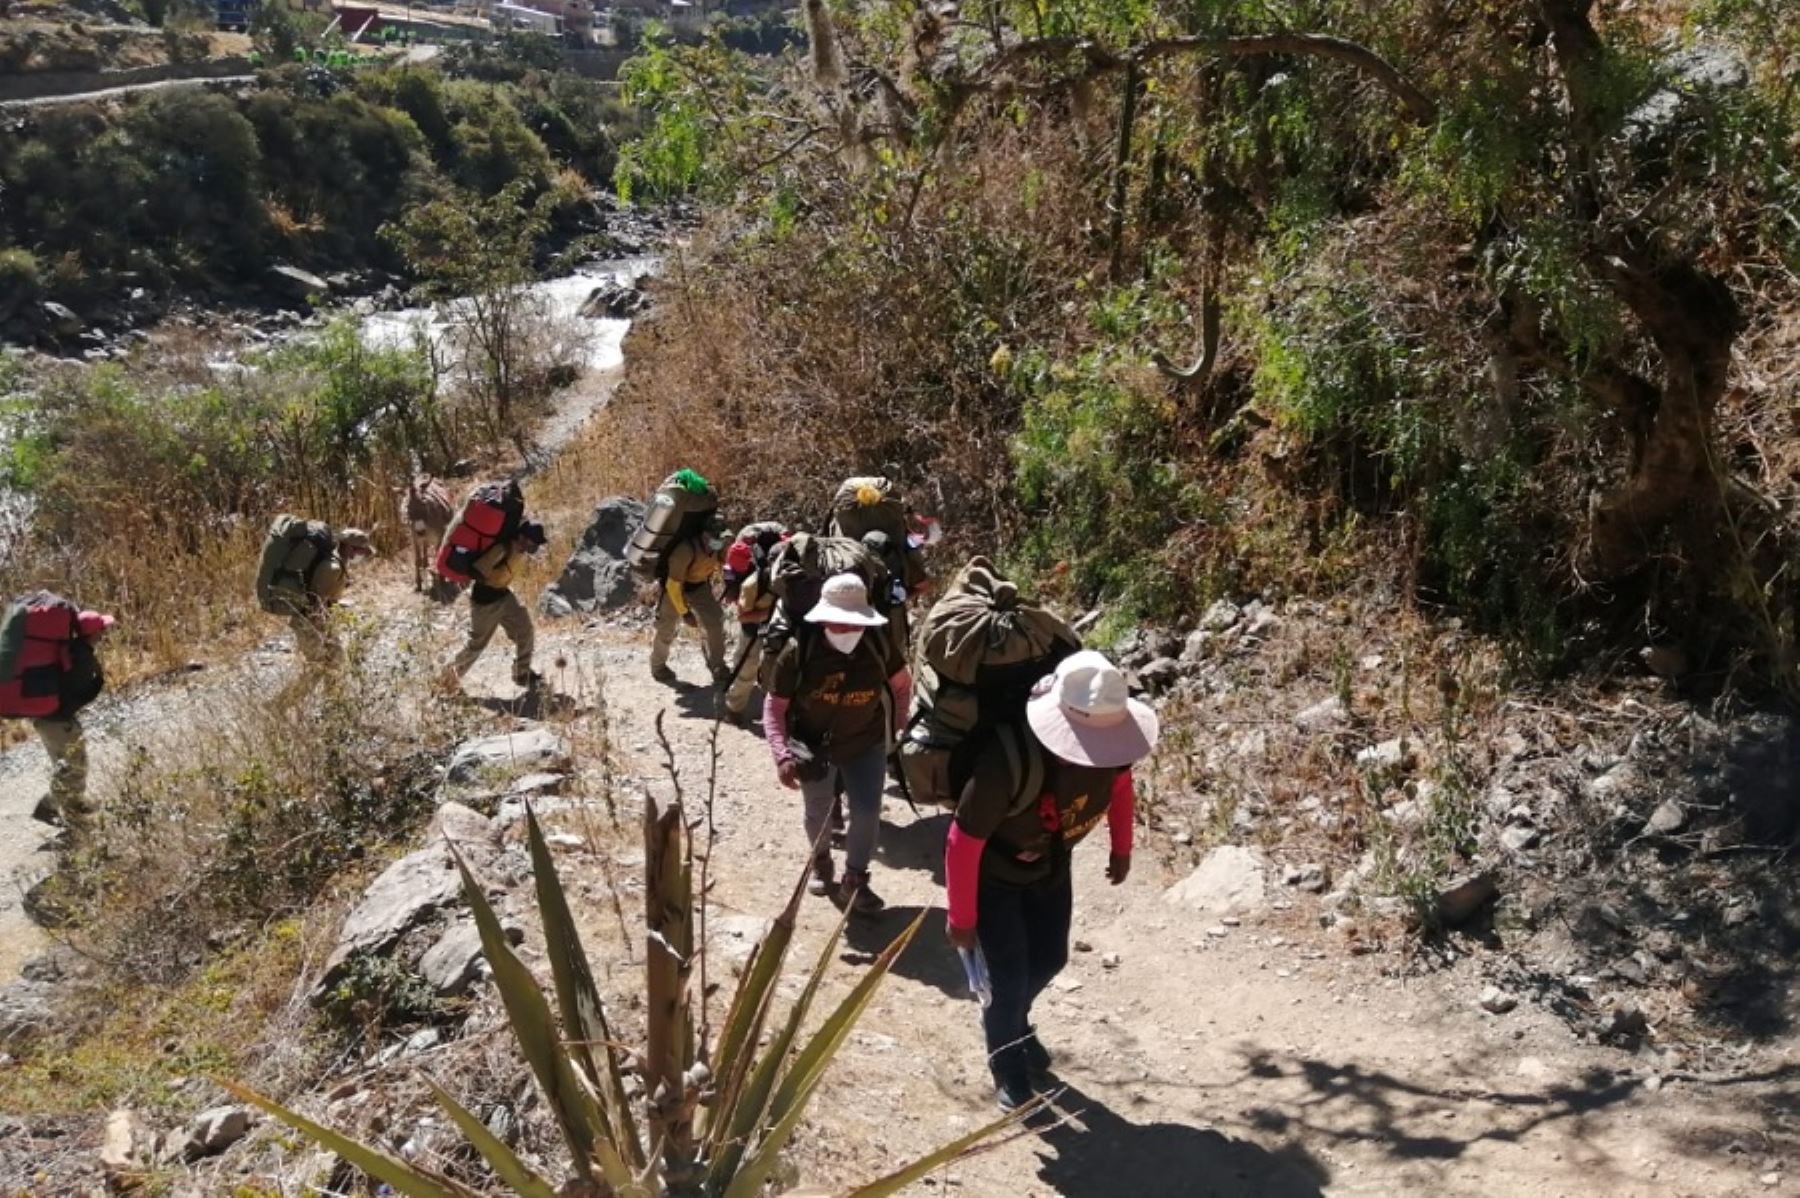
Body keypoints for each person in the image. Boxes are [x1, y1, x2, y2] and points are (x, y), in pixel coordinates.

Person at [943, 650, 1158, 1111]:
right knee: (1008, 978)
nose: (1096, 755)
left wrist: (1122, 848)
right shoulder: (1008, 760)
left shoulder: (1112, 753)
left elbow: (1120, 787)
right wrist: (961, 919)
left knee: (1051, 959)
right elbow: (964, 840)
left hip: (1051, 869)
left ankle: (1015, 1021)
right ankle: (1007, 1064)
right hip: (995, 880)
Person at [763, 573, 911, 914]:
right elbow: (775, 706)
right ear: (824, 617)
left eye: (854, 624)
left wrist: (897, 727)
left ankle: (855, 881)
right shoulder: (798, 651)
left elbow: (902, 685)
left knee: (868, 812)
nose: (848, 632)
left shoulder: (878, 644)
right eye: (840, 624)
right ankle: (821, 859)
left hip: (866, 742)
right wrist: (781, 754)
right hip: (814, 747)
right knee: (818, 811)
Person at [2, 599, 114, 844]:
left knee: (63, 764)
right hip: (58, 721)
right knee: (75, 766)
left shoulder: (64, 651)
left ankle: (63, 805)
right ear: (93, 633)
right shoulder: (80, 657)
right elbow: (76, 690)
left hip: (44, 718)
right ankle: (64, 812)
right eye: (102, 629)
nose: (105, 633)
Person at [439, 518, 548, 691]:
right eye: (533, 542)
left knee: (525, 630)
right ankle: (446, 680)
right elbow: (478, 570)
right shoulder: (502, 548)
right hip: (486, 601)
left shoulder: (519, 550)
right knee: (477, 644)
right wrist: (492, 576)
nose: (534, 548)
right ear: (522, 537)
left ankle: (522, 672)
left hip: (503, 595)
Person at [650, 512, 730, 687]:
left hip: (699, 586)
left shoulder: (719, 546)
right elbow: (673, 585)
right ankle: (658, 666)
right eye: (715, 537)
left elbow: (726, 564)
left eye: (721, 537)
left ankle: (718, 666)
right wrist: (684, 613)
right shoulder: (685, 551)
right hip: (675, 588)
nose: (719, 541)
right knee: (666, 628)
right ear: (705, 534)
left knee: (716, 623)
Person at [720, 522, 787, 725]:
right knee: (746, 668)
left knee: (779, 671)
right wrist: (769, 613)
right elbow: (742, 616)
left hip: (780, 627)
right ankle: (734, 709)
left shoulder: (791, 574)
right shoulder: (751, 583)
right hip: (756, 626)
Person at [284, 527, 374, 670]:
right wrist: (323, 632)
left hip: (320, 621)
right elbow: (315, 601)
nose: (364, 555)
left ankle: (332, 691)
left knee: (335, 663)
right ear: (350, 548)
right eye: (361, 551)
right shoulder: (332, 568)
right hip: (309, 623)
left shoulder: (339, 562)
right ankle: (293, 693)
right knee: (318, 668)